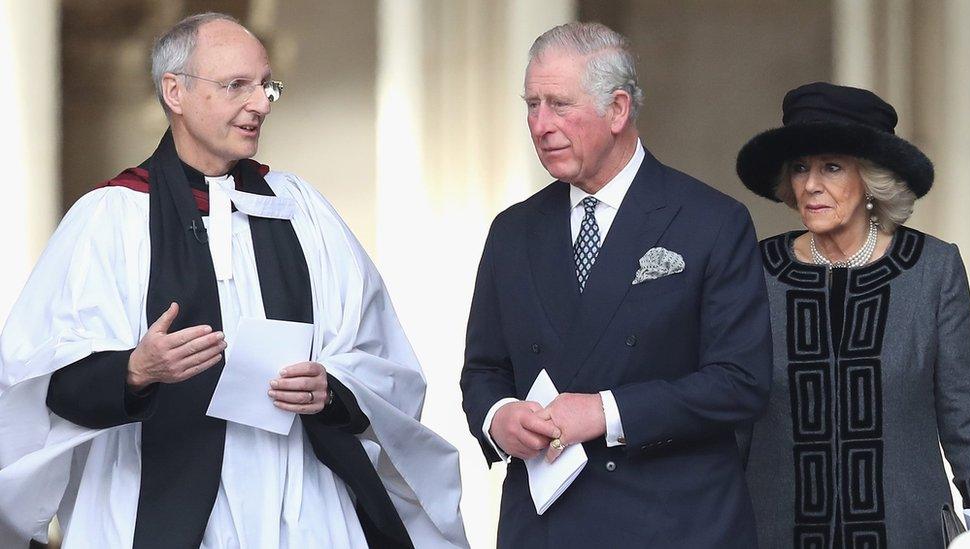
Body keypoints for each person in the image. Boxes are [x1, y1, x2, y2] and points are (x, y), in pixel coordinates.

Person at [0, 12, 467, 549]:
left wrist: (331, 388)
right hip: (153, 490)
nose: (261, 103)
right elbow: (42, 379)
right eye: (236, 86)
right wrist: (134, 370)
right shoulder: (110, 218)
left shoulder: (301, 210)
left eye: (266, 85)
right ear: (174, 91)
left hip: (302, 496)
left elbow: (383, 358)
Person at [460, 21, 773, 547]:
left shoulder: (711, 221)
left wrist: (605, 412)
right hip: (545, 526)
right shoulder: (513, 230)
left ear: (618, 109)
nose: (540, 125)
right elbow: (484, 369)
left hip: (674, 524)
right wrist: (498, 418)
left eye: (559, 104)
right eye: (531, 104)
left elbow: (739, 383)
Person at [736, 81, 970, 548]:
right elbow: (732, 421)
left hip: (906, 534)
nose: (810, 184)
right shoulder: (753, 272)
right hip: (776, 534)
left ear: (871, 178)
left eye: (831, 167)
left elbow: (965, 412)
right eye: (800, 167)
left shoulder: (932, 270)